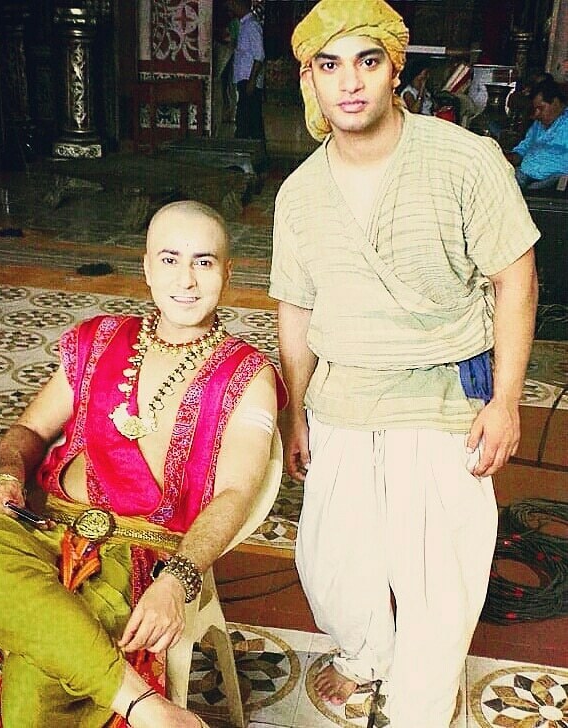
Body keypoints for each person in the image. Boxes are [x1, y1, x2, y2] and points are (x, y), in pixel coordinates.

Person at [268, 1, 539, 727]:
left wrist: (505, 401)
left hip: (444, 394)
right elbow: (296, 310)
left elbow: (516, 278)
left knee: (437, 575)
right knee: (331, 567)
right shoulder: (300, 194)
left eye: (367, 61)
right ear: (309, 80)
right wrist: (297, 413)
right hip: (343, 398)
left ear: (395, 69)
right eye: (330, 65)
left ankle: (423, 698)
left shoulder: (464, 159)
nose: (350, 82)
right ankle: (366, 654)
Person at [0, 200, 286, 728]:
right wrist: (11, 475)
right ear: (147, 268)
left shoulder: (248, 374)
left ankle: (122, 695)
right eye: (170, 260)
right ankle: (146, 706)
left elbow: (235, 494)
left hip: (142, 556)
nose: (186, 279)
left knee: (38, 668)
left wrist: (176, 579)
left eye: (203, 261)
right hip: (48, 530)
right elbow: (28, 431)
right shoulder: (99, 338)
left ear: (227, 272)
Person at [506, 78, 568, 190]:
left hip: (554, 179)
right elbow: (523, 148)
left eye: (541, 108)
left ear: (555, 102)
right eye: (536, 109)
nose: (537, 114)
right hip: (524, 174)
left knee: (529, 190)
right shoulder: (538, 124)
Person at [228, 0, 265, 139]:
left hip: (249, 81)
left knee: (248, 120)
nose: (230, 8)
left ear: (238, 5)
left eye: (232, 5)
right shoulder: (243, 25)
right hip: (245, 80)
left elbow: (259, 56)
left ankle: (248, 148)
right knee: (248, 120)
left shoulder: (252, 26)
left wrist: (251, 81)